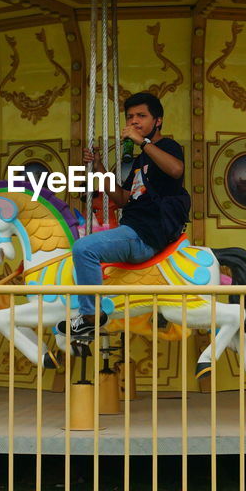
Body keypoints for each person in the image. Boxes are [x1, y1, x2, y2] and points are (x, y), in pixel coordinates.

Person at [61, 92, 191, 341]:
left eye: (141, 116)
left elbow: (176, 170)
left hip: (147, 232)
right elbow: (121, 198)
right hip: (132, 227)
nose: (134, 122)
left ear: (158, 120)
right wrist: (99, 167)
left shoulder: (166, 147)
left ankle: (89, 318)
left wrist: (143, 143)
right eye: (130, 117)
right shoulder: (137, 159)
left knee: (83, 249)